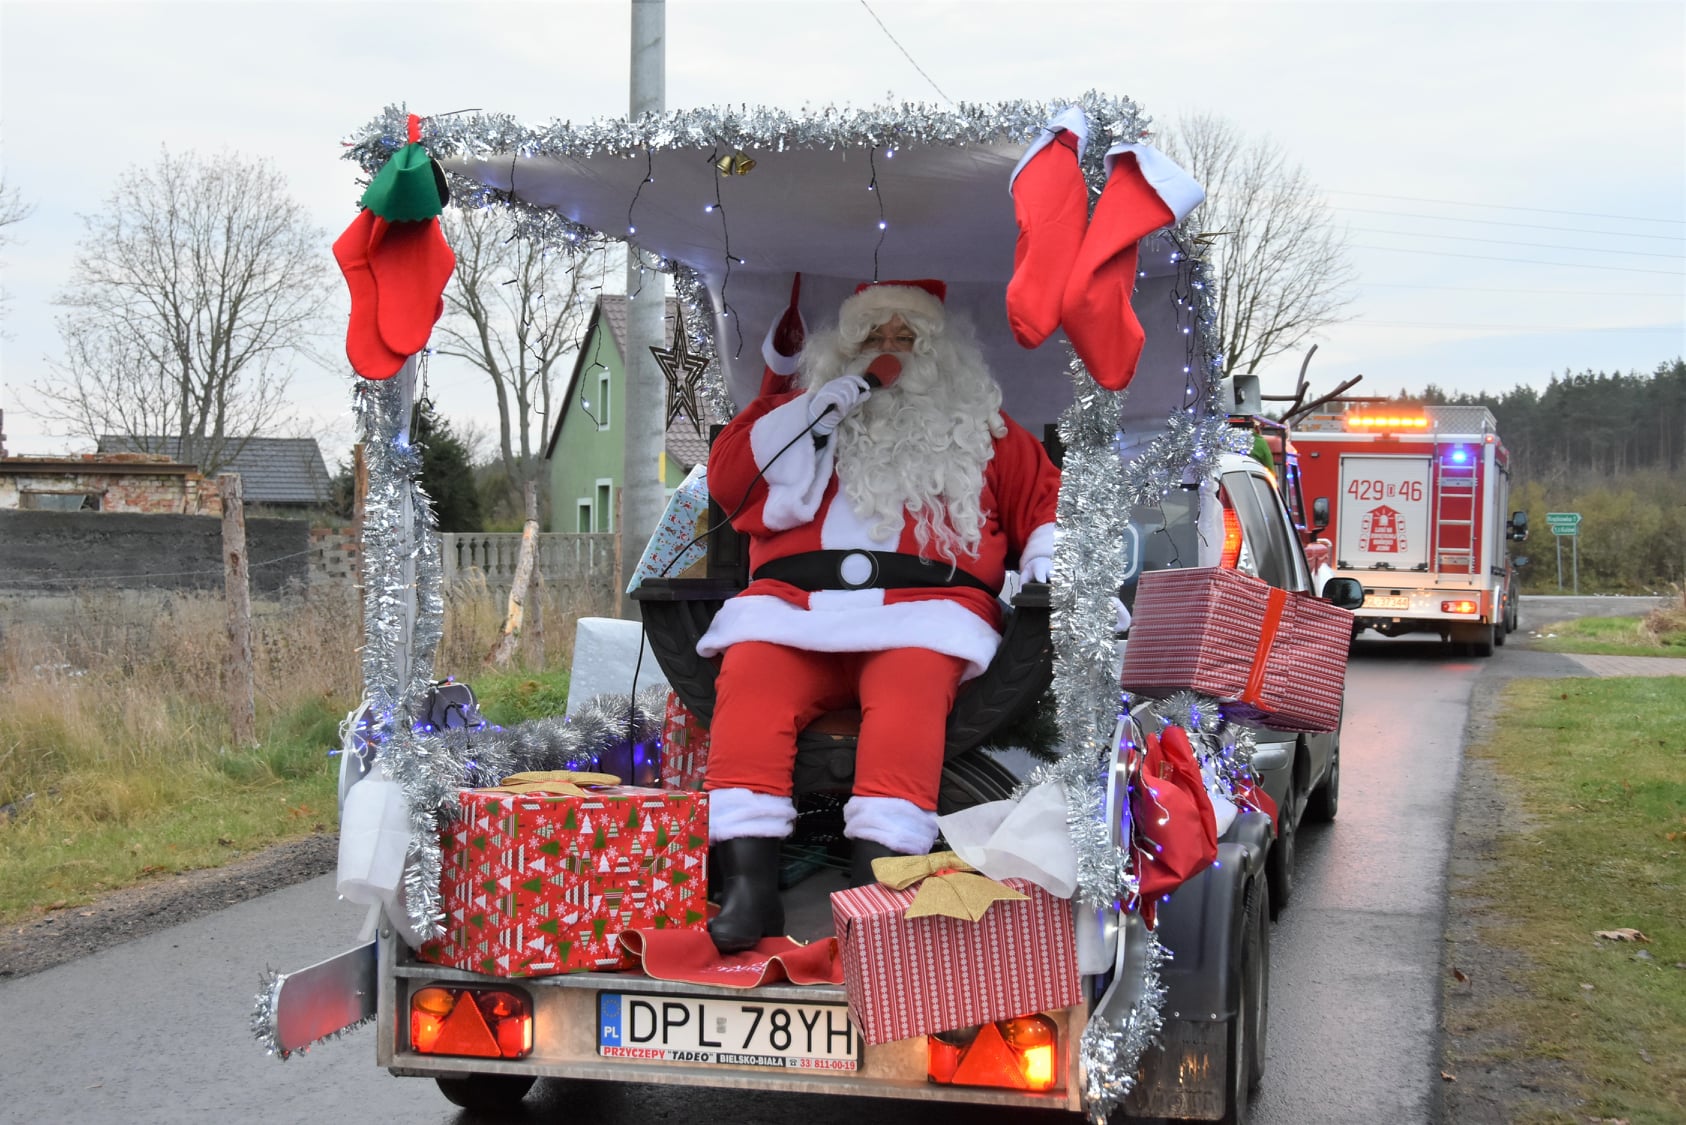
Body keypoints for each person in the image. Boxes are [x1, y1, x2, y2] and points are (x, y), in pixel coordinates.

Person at [697, 279, 1062, 952]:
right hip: (792, 611)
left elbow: (1043, 503)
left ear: (940, 354)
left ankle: (877, 887)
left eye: (907, 338)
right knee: (750, 677)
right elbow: (727, 480)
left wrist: (1046, 556)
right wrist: (808, 413)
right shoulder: (806, 417)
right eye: (873, 338)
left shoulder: (983, 432)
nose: (890, 352)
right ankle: (749, 888)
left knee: (909, 688)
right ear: (846, 351)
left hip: (924, 613)